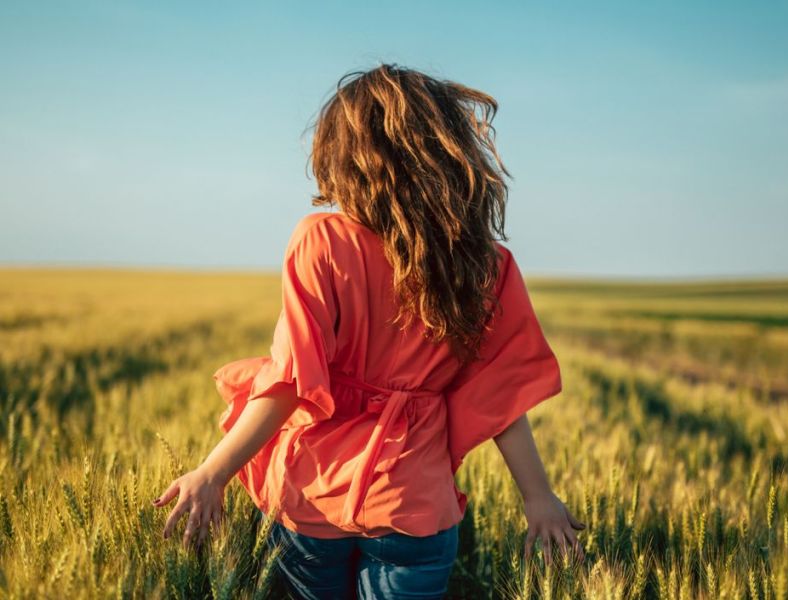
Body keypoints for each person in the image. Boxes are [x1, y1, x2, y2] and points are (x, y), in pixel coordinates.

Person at [153, 63, 586, 599]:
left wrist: (213, 473)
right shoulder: (484, 265)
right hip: (415, 502)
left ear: (346, 159)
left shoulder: (322, 242)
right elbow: (500, 398)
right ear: (446, 154)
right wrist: (537, 498)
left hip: (314, 492)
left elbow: (290, 380)